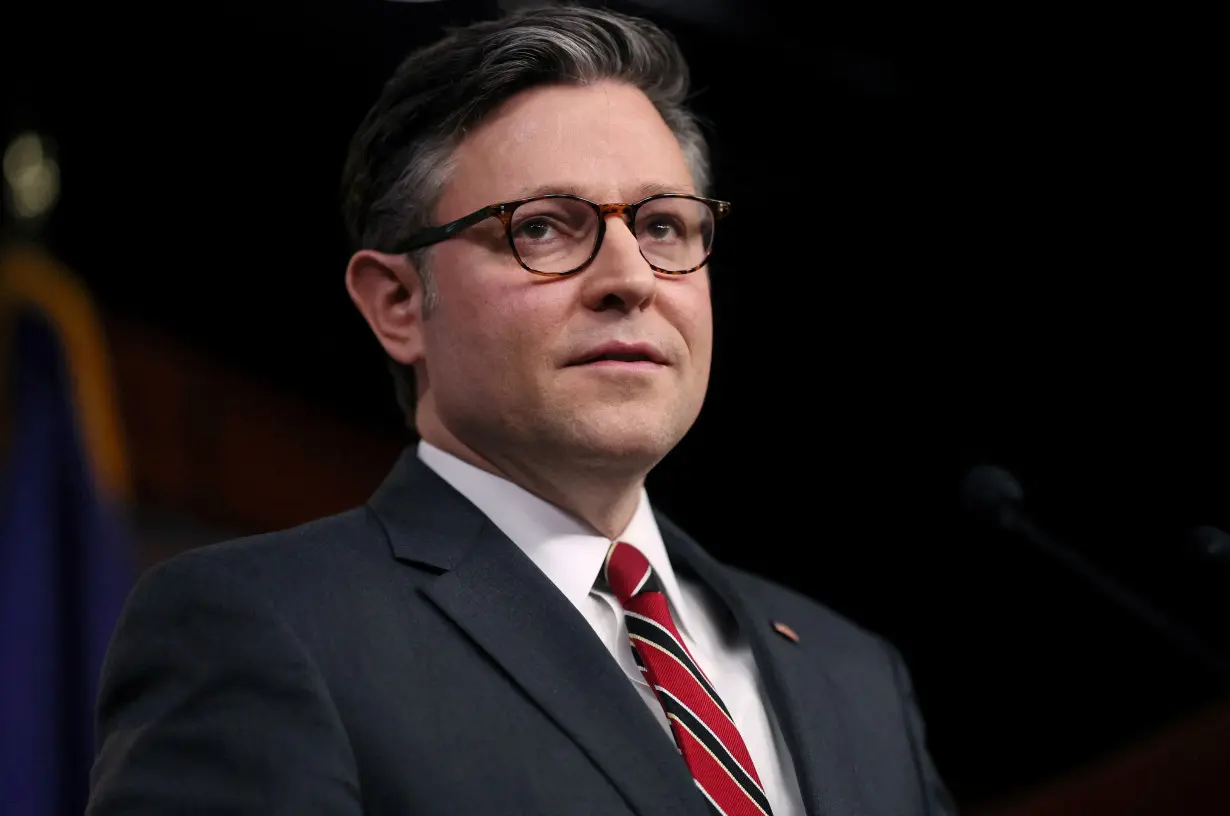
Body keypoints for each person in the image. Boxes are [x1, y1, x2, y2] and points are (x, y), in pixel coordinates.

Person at [87, 7, 955, 815]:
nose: (628, 280)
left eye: (662, 227)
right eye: (543, 227)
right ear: (396, 302)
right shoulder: (266, 627)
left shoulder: (857, 676)